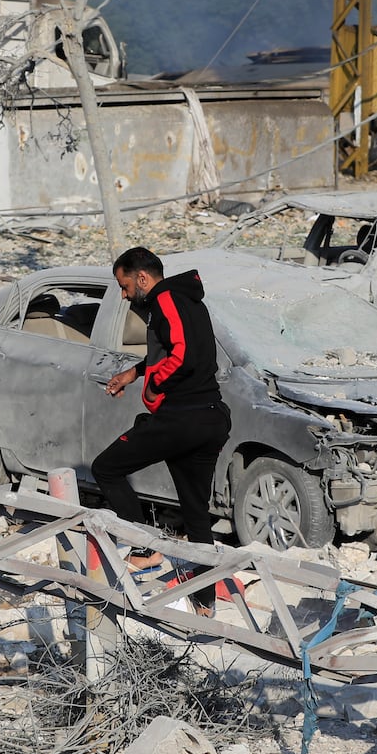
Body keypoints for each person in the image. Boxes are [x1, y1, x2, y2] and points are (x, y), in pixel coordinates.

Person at [92, 246, 232, 615]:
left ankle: (145, 550)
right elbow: (171, 349)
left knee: (106, 468)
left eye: (124, 286)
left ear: (142, 277)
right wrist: (134, 372)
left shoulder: (167, 297)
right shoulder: (184, 300)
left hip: (181, 418)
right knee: (196, 514)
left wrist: (153, 382)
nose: (124, 295)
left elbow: (182, 354)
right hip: (209, 417)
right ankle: (205, 605)